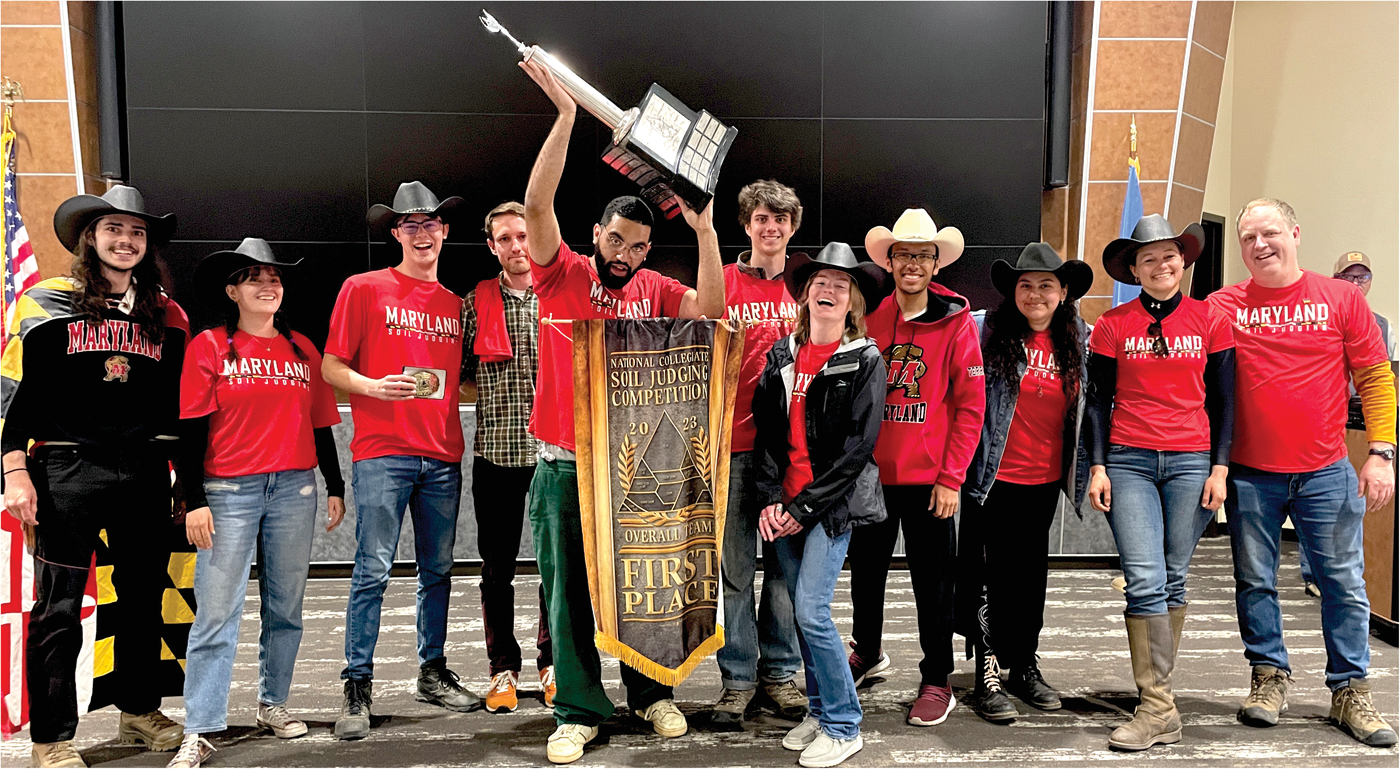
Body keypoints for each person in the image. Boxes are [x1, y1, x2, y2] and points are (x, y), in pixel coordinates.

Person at [517, 58, 724, 764]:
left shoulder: (656, 288)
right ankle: (577, 708)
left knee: (645, 586)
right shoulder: (563, 272)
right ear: (596, 234)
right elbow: (537, 208)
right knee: (568, 596)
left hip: (633, 469)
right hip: (565, 466)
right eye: (616, 241)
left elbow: (713, 314)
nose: (626, 256)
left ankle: (651, 691)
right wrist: (567, 117)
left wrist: (703, 232)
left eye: (638, 247)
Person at [2, 186, 190, 769]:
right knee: (57, 607)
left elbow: (177, 408)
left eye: (137, 232)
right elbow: (13, 395)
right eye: (114, 229)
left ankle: (138, 710)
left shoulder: (167, 316)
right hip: (66, 468)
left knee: (141, 598)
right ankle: (52, 738)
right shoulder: (42, 304)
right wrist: (14, 470)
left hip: (142, 472)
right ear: (90, 237)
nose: (126, 241)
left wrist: (185, 482)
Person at [1207, 199, 1397, 748]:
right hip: (1249, 474)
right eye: (1248, 238)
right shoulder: (1222, 306)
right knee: (1254, 582)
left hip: (1326, 471)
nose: (1260, 244)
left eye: (1270, 233)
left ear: (1294, 232)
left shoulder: (1339, 298)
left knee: (1343, 584)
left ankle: (1350, 690)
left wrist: (1382, 452)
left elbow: (1376, 377)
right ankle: (1268, 677)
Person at [167, 239, 346, 768]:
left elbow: (320, 424)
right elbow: (190, 431)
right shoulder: (209, 345)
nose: (268, 286)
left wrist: (334, 484)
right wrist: (192, 497)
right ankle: (199, 726)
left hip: (295, 489)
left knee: (285, 606)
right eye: (254, 278)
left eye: (274, 278)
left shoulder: (302, 349)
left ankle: (274, 702)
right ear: (233, 291)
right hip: (228, 492)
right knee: (217, 612)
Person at [322, 181, 479, 741]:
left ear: (444, 232)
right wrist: (371, 386)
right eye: (410, 225)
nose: (422, 233)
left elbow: (460, 385)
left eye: (431, 224)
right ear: (395, 233)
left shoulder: (456, 306)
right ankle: (357, 683)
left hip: (441, 455)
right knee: (373, 571)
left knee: (438, 572)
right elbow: (331, 366)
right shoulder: (363, 288)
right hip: (383, 454)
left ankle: (432, 672)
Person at [1087, 214, 1236, 751]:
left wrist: (1220, 468)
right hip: (1128, 461)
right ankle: (1156, 707)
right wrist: (1098, 466)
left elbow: (1224, 401)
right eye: (1148, 258)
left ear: (1183, 261)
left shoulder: (1210, 320)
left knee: (1172, 577)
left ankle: (1160, 705)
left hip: (1193, 461)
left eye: (1169, 255)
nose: (1160, 265)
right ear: (1134, 269)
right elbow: (1097, 404)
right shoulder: (1111, 325)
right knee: (1146, 577)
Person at [752, 243, 889, 768]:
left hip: (827, 510)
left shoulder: (866, 360)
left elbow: (857, 451)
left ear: (853, 300)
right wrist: (769, 501)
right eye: (820, 283)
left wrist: (802, 508)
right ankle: (818, 708)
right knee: (800, 614)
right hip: (783, 506)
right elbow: (765, 437)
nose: (828, 291)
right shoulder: (783, 355)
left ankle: (843, 724)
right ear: (806, 295)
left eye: (840, 284)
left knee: (810, 611)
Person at [849, 209, 984, 727]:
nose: (912, 263)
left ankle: (937, 679)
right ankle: (868, 651)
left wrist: (952, 478)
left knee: (934, 585)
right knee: (865, 576)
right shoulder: (870, 319)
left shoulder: (954, 324)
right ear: (889, 260)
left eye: (922, 255)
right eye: (903, 254)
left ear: (934, 263)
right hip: (872, 479)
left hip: (931, 482)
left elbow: (971, 406)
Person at [959, 242, 1092, 723]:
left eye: (1046, 285)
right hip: (991, 479)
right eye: (1026, 285)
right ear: (1013, 292)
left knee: (1031, 577)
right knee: (989, 577)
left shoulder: (1079, 337)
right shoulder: (984, 329)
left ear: (1063, 292)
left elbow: (1091, 410)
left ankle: (1024, 664)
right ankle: (988, 671)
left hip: (1044, 480)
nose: (1035, 294)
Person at [710, 180, 805, 729]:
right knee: (736, 571)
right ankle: (739, 679)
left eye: (781, 220)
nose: (771, 228)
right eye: (762, 219)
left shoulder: (806, 288)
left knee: (787, 573)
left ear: (792, 228)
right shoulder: (720, 284)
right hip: (734, 448)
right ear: (746, 225)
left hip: (793, 456)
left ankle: (780, 673)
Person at [461, 201, 554, 713]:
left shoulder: (560, 293)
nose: (518, 247)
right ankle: (502, 669)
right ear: (492, 245)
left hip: (554, 457)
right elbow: (459, 373)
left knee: (554, 568)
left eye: (523, 235)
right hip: (495, 455)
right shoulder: (473, 303)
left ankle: (551, 660)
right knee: (496, 570)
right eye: (506, 239)